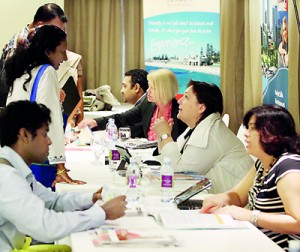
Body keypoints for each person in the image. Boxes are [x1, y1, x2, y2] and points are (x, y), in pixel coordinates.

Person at [0, 100, 127, 251]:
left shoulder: (14, 167)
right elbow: (46, 227)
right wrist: (102, 213)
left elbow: (52, 201)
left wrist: (91, 198)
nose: (49, 141)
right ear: (25, 135)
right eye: (45, 134)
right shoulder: (6, 176)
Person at [200, 105, 300, 251]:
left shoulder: (288, 166)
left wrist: (250, 216)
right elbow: (238, 196)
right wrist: (220, 199)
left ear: (272, 133)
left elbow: (297, 223)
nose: (246, 134)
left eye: (252, 129)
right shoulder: (263, 163)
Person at [5, 25, 84, 186]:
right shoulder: (47, 71)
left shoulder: (23, 69)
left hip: (17, 151)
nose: (64, 59)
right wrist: (60, 168)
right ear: (48, 51)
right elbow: (52, 119)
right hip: (37, 154)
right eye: (62, 52)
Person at [153, 81, 253, 193]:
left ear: (201, 108)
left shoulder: (211, 134)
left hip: (234, 204)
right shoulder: (198, 127)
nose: (179, 100)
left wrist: (165, 136)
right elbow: (169, 161)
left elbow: (180, 174)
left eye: (186, 97)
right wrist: (162, 137)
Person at [79, 68, 186, 140]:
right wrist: (95, 122)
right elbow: (124, 118)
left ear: (163, 89)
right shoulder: (148, 104)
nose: (147, 91)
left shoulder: (180, 113)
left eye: (152, 88)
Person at [0, 3, 67, 107]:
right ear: (39, 25)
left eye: (62, 30)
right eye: (55, 29)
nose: (59, 35)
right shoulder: (18, 45)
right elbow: (11, 86)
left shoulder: (39, 43)